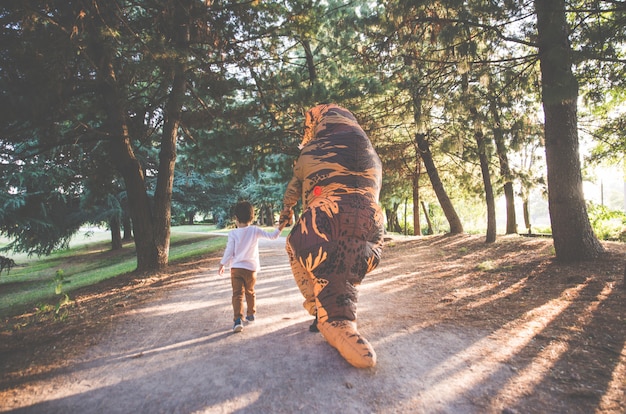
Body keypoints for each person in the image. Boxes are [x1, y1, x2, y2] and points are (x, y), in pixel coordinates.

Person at [279, 104, 385, 368]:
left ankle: (318, 309)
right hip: (371, 231)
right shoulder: (372, 155)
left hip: (324, 224)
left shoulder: (311, 150)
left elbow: (293, 189)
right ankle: (336, 307)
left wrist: (287, 210)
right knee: (342, 269)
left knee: (294, 245)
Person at [219, 201, 285, 333]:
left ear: (236, 218)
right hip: (251, 269)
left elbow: (229, 251)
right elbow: (272, 236)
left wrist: (222, 264)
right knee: (250, 291)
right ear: (252, 217)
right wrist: (281, 226)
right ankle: (250, 314)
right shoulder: (255, 230)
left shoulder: (233, 233)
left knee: (237, 294)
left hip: (236, 269)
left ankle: (237, 320)